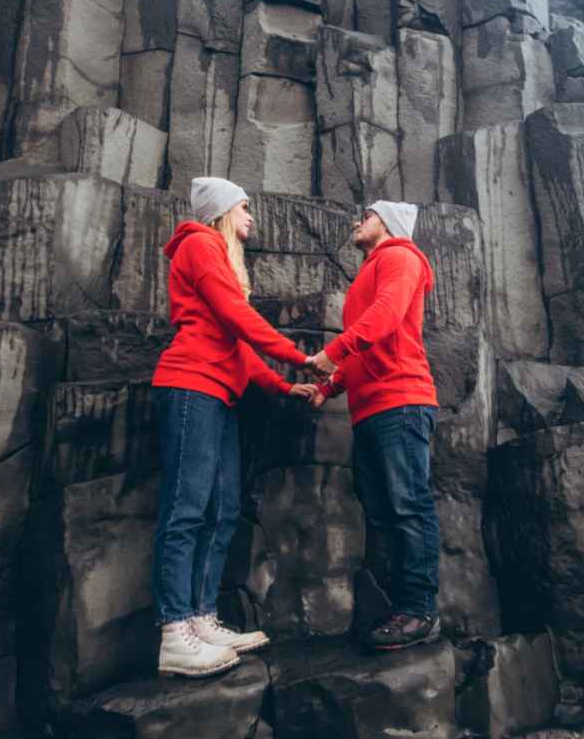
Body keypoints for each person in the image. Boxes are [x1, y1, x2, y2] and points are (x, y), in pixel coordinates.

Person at [151, 177, 320, 678]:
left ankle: (201, 617)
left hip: (218, 394)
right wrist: (299, 358)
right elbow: (238, 319)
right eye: (244, 207)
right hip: (189, 387)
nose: (251, 216)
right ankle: (174, 631)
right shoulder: (201, 244)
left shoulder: (220, 257)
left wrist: (283, 386)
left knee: (221, 509)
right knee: (185, 509)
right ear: (222, 210)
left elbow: (240, 348)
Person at [308, 200, 442, 651]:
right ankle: (401, 609)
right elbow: (367, 348)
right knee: (385, 512)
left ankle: (421, 611)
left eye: (365, 215)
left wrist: (333, 351)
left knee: (408, 507)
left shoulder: (401, 257)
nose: (356, 221)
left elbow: (383, 320)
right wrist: (328, 388)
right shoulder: (369, 271)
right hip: (372, 410)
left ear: (386, 223)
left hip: (401, 401)